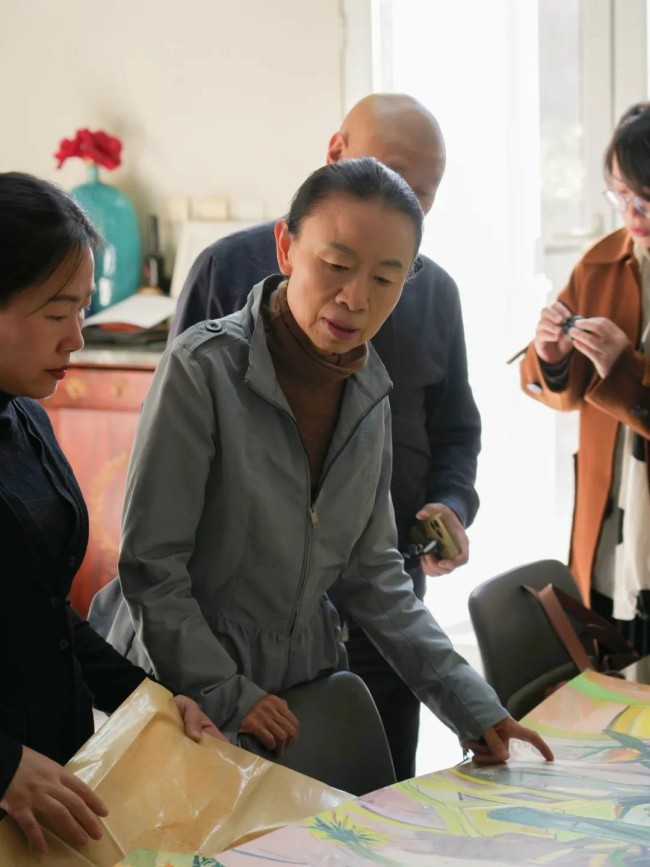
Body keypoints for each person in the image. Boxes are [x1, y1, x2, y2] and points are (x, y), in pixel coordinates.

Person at [118, 157, 553, 775]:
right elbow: (152, 569)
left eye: (386, 278)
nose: (355, 297)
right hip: (181, 689)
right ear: (286, 246)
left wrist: (472, 703)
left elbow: (373, 576)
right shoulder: (203, 370)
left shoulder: (369, 390)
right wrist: (225, 690)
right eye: (337, 265)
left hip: (298, 691)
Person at [169, 93, 481, 780]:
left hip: (382, 599)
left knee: (376, 796)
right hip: (232, 634)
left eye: (421, 195)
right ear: (336, 151)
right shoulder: (225, 284)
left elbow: (456, 427)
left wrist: (451, 501)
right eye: (336, 269)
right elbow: (162, 524)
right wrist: (217, 677)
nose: (356, 300)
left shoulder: (428, 302)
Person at [0, 172, 225, 857]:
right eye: (56, 310)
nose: (77, 335)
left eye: (83, 308)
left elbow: (43, 612)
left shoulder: (27, 419)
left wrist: (152, 698)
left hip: (58, 775)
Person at [520, 102, 650, 654]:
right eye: (620, 193)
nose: (631, 211)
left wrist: (625, 367)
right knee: (618, 687)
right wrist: (551, 354)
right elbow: (556, 388)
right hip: (611, 519)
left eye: (643, 195)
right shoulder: (600, 264)